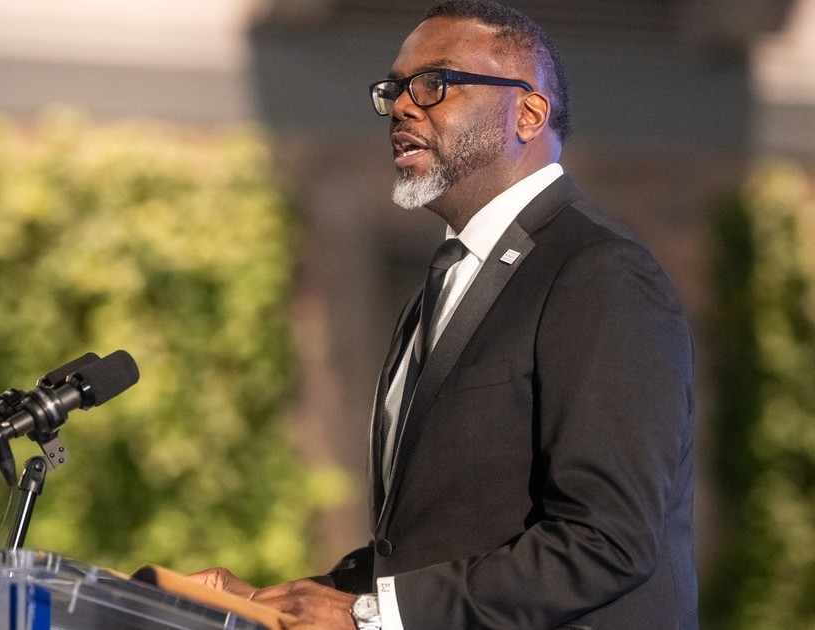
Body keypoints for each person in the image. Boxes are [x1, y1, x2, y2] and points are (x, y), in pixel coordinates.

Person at [191, 1, 698, 628]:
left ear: (528, 113)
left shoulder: (598, 275)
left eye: (434, 84)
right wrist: (277, 602)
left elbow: (606, 541)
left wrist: (368, 616)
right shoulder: (444, 282)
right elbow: (430, 544)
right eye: (394, 90)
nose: (402, 107)